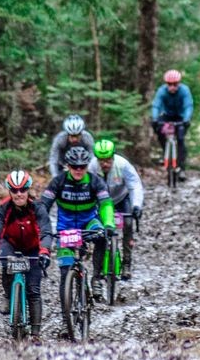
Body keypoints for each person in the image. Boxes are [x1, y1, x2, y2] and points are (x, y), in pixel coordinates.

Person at [38, 145, 117, 306]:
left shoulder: (95, 181)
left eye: (82, 166)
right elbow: (43, 206)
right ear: (68, 166)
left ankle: (96, 277)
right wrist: (39, 226)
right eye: (74, 166)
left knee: (102, 237)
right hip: (65, 228)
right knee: (65, 273)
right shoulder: (58, 182)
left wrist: (108, 223)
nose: (78, 170)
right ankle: (66, 320)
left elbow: (106, 204)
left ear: (87, 166)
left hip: (89, 222)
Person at [0, 170, 52, 340]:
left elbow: (45, 231)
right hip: (11, 244)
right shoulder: (4, 208)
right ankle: (8, 294)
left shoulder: (38, 208)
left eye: (22, 190)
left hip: (33, 247)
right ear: (9, 191)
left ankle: (35, 334)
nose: (18, 194)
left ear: (28, 190)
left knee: (33, 290)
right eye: (14, 190)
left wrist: (44, 251)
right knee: (7, 264)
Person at [89, 139, 144, 281]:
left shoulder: (123, 165)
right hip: (100, 202)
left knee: (128, 224)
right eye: (101, 161)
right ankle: (98, 268)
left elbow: (135, 185)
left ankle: (126, 263)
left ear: (113, 157)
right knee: (98, 232)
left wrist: (136, 206)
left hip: (121, 198)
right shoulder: (92, 167)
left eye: (108, 160)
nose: (105, 164)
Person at [150, 69, 193, 172]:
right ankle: (165, 151)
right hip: (167, 115)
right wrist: (155, 118)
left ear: (179, 83)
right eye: (169, 84)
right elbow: (156, 105)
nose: (172, 87)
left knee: (181, 139)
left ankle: (181, 168)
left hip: (181, 117)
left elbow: (188, 106)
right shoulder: (162, 91)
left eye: (175, 84)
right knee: (157, 127)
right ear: (166, 84)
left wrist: (187, 119)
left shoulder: (184, 90)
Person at [48, 114, 96, 178]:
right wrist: (55, 176)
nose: (74, 139)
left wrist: (91, 174)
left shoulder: (87, 138)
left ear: (81, 133)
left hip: (82, 166)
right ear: (67, 134)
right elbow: (53, 160)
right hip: (63, 165)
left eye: (77, 135)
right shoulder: (60, 139)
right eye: (72, 136)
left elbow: (92, 157)